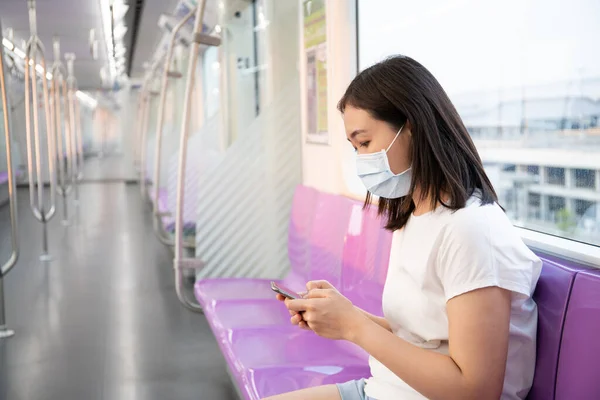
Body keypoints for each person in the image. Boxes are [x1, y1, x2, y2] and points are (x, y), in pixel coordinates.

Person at [265, 56, 542, 400]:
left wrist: (353, 326)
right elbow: (418, 336)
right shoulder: (415, 215)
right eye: (355, 148)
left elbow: (476, 391)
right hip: (383, 390)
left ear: (410, 125)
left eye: (364, 143)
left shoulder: (471, 231)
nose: (361, 160)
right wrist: (342, 316)